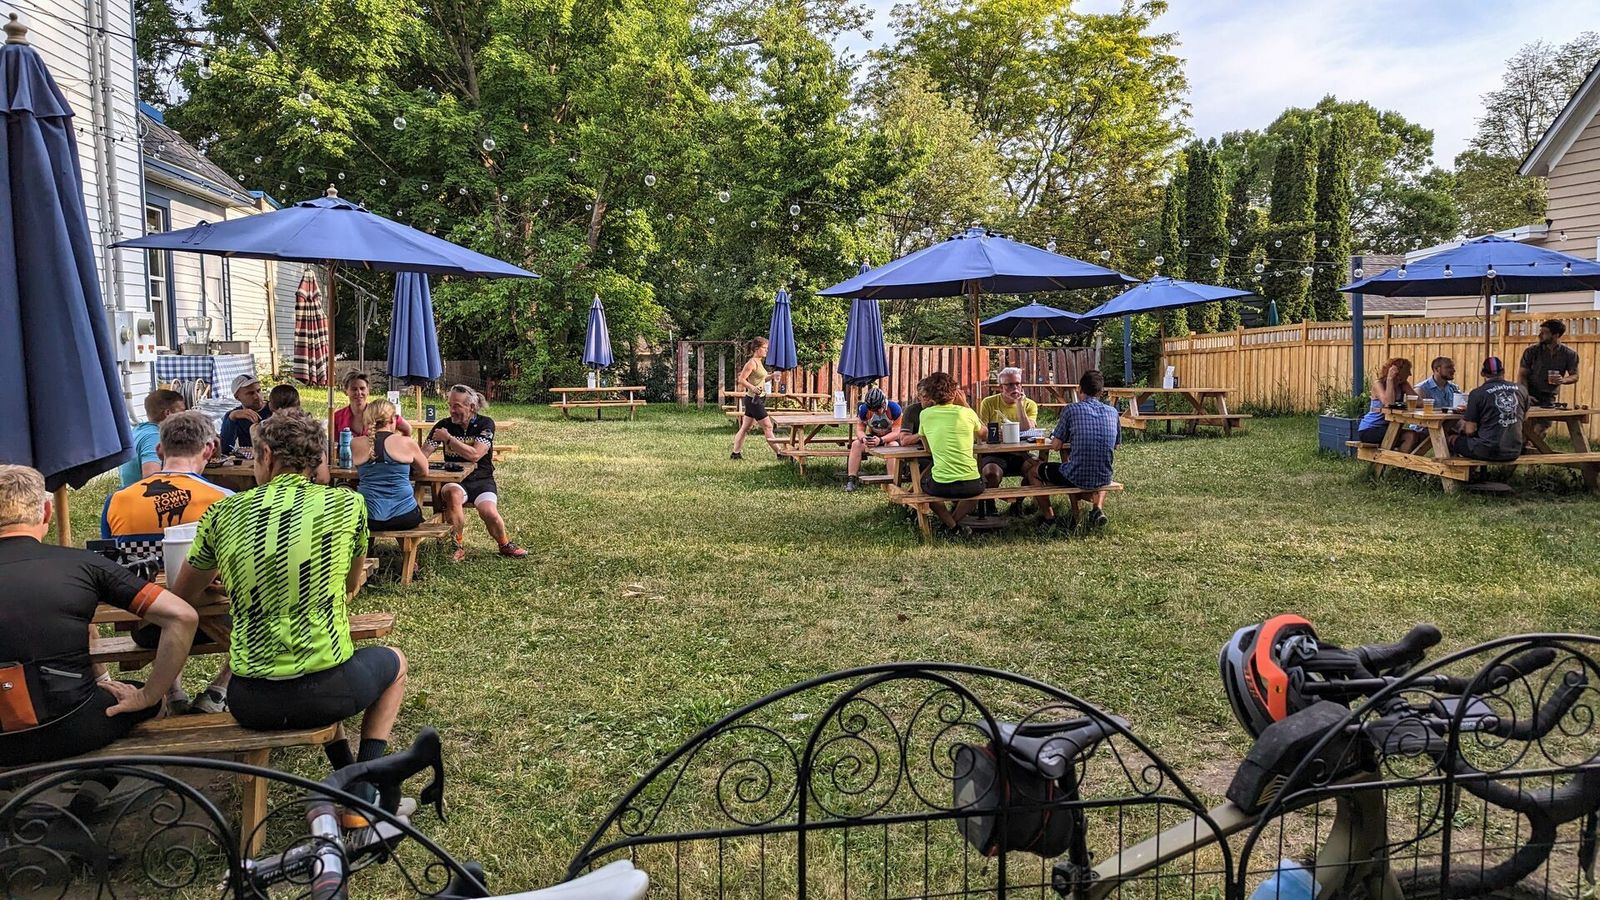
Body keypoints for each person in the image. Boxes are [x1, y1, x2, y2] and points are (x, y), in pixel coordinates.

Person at [171, 411, 405, 810]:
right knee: (394, 663)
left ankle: (351, 778)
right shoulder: (347, 505)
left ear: (265, 454)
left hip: (251, 699)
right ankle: (367, 785)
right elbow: (351, 585)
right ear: (317, 459)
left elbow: (182, 595)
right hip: (329, 689)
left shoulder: (222, 513)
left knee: (319, 672)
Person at [0, 465, 197, 765]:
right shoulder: (83, 565)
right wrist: (148, 695)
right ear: (47, 512)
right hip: (75, 726)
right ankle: (107, 788)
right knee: (143, 703)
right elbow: (182, 616)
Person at [427, 385, 527, 561]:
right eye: (450, 405)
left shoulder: (485, 424)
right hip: (455, 481)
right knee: (452, 494)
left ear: (471, 407)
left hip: (482, 480)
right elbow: (423, 453)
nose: (451, 410)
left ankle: (504, 544)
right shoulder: (443, 425)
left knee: (489, 512)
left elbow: (475, 455)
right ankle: (457, 546)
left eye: (457, 406)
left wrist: (449, 439)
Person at [1029, 370, 1119, 532]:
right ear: (1101, 392)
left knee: (1033, 471)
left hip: (1076, 476)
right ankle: (1097, 509)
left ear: (1079, 389)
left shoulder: (1071, 410)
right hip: (1104, 476)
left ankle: (1049, 518)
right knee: (1101, 468)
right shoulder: (1113, 412)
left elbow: (1056, 446)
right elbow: (1116, 445)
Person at [914, 372, 986, 535]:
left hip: (941, 484)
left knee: (922, 487)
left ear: (930, 395)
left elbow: (928, 449)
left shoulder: (925, 414)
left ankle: (951, 526)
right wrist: (965, 404)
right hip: (971, 484)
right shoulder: (967, 413)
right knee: (978, 491)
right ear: (955, 392)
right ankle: (953, 525)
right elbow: (984, 434)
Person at [353, 398, 429, 532]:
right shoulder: (406, 442)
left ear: (367, 420)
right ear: (393, 420)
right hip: (404, 516)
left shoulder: (355, 443)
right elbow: (424, 471)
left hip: (368, 517)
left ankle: (367, 545)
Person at [975, 367, 1039, 515]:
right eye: (1009, 385)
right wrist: (995, 435)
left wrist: (1019, 405)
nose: (1014, 388)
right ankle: (990, 505)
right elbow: (981, 431)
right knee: (991, 473)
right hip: (994, 453)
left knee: (1036, 469)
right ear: (1000, 387)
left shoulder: (1029, 404)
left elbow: (1027, 428)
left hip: (1020, 453)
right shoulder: (989, 403)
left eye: (1017, 384)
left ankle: (1018, 503)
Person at [1448, 357, 1529, 462]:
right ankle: (1473, 470)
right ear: (1503, 371)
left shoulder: (1477, 394)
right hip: (1514, 451)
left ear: (1482, 373)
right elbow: (1524, 418)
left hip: (1487, 451)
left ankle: (1454, 471)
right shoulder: (1522, 390)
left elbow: (1470, 430)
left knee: (1451, 438)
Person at [1519, 319, 1580, 443]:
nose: (1540, 335)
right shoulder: (1531, 351)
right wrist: (1525, 395)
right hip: (1530, 395)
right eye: (1540, 331)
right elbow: (1522, 375)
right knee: (1524, 429)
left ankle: (1533, 451)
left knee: (1541, 427)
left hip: (1549, 397)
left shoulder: (1569, 354)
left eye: (1544, 332)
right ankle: (1525, 451)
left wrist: (1563, 380)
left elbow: (1575, 376)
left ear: (1556, 335)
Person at [119, 389, 186, 487]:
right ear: (168, 413)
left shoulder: (138, 430)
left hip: (129, 491)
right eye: (182, 411)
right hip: (141, 495)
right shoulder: (153, 437)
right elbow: (151, 480)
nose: (185, 416)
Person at [844, 388, 904, 493]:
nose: (876, 412)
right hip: (873, 437)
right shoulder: (864, 410)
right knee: (856, 444)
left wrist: (881, 440)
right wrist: (864, 438)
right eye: (873, 410)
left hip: (889, 438)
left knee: (893, 446)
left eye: (878, 409)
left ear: (884, 403)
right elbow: (859, 429)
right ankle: (851, 479)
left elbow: (897, 432)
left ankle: (892, 481)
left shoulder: (894, 409)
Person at [1355, 357, 1422, 452]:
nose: (1410, 374)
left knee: (1413, 435)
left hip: (1388, 427)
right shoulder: (1378, 384)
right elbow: (1388, 404)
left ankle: (1399, 461)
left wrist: (1408, 394)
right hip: (1370, 429)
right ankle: (1398, 461)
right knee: (1409, 436)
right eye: (1407, 371)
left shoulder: (1402, 384)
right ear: (1398, 372)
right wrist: (1390, 380)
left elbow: (1419, 402)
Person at [730, 338, 779, 460]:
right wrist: (753, 388)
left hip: (758, 399)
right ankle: (780, 453)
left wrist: (772, 376)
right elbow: (741, 379)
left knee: (745, 428)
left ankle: (735, 453)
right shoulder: (752, 363)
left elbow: (761, 379)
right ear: (757, 349)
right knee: (768, 426)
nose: (767, 350)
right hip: (754, 400)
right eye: (764, 348)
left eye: (767, 348)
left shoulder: (759, 362)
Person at [334, 372, 412, 438]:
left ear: (368, 390)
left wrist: (401, 445)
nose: (359, 392)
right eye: (354, 389)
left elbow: (407, 428)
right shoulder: (337, 417)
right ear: (345, 391)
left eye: (362, 388)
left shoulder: (381, 411)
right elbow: (334, 443)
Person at [218, 374, 271, 456]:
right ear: (237, 397)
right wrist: (232, 418)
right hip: (249, 462)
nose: (257, 396)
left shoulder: (274, 408)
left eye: (258, 391)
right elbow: (225, 449)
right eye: (250, 393)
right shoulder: (234, 415)